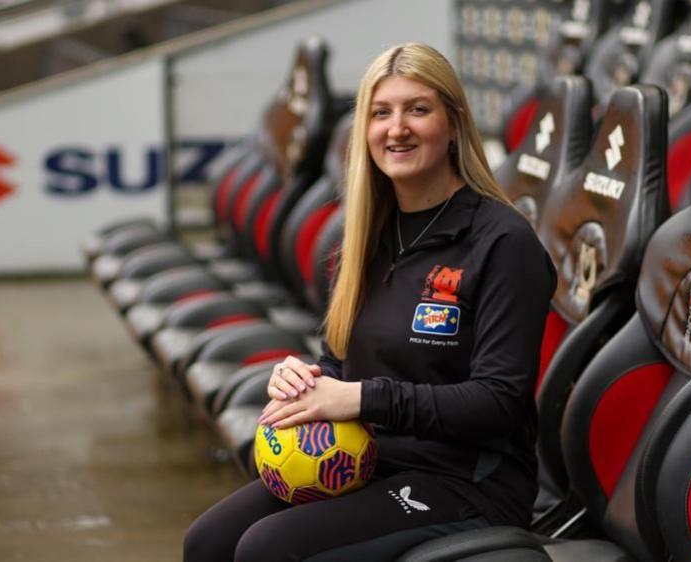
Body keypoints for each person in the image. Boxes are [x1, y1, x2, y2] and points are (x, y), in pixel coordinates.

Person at [184, 42, 556, 562]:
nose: (396, 128)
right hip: (369, 458)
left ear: (454, 123)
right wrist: (305, 383)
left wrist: (359, 399)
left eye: (417, 109)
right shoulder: (363, 235)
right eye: (381, 113)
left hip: (467, 479)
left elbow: (497, 402)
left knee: (266, 550)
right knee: (207, 542)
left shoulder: (502, 242)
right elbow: (341, 365)